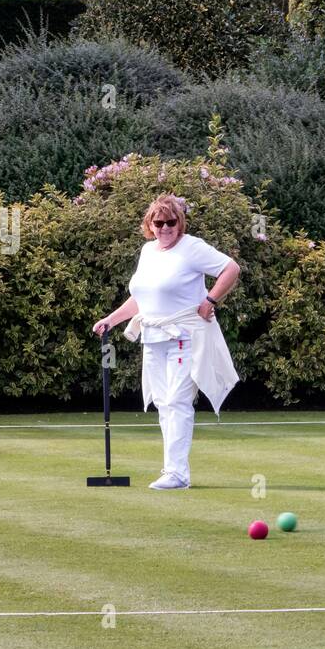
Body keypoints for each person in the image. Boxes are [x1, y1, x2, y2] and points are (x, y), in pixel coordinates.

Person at [92, 194, 241, 490]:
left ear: (180, 222)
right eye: (158, 222)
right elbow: (143, 297)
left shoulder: (192, 248)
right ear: (150, 224)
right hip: (153, 337)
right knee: (162, 402)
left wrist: (211, 300)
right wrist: (111, 319)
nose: (165, 228)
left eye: (171, 222)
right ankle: (171, 469)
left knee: (177, 400)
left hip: (185, 335)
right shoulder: (148, 251)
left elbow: (231, 268)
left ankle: (178, 474)